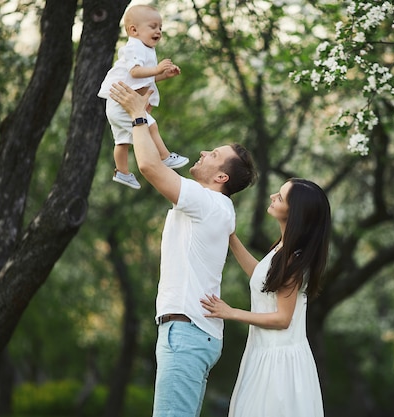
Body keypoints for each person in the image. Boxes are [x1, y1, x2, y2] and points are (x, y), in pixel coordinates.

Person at [109, 81, 257, 417]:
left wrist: (135, 115)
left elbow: (149, 167)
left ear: (221, 177)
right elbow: (159, 158)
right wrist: (145, 118)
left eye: (214, 155)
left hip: (187, 331)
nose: (204, 153)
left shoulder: (208, 202)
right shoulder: (212, 206)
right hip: (189, 332)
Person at [201, 178, 331, 417]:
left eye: (280, 197)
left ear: (295, 214)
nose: (272, 196)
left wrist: (231, 312)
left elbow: (283, 318)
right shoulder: (283, 248)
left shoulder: (292, 258)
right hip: (265, 352)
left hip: (279, 362)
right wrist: (231, 236)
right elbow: (263, 279)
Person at [98, 4, 189, 190]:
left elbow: (144, 76)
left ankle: (122, 172)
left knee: (122, 141)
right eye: (153, 26)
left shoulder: (145, 48)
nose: (158, 31)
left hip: (119, 104)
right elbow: (135, 72)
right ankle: (165, 156)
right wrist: (157, 69)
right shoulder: (134, 47)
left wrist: (163, 75)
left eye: (160, 28)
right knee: (151, 126)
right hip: (121, 102)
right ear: (134, 30)